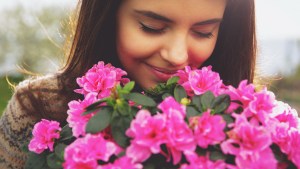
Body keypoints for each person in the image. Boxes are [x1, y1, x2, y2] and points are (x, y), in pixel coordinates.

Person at [0, 0, 256, 168]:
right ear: (109, 17)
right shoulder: (35, 108)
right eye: (151, 27)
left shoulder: (250, 123)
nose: (177, 55)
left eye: (203, 32)